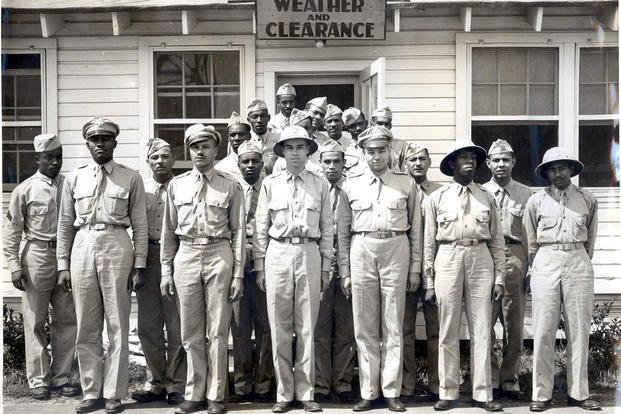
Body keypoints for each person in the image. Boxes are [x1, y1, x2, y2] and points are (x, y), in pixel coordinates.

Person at [56, 117, 148, 414]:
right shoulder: (74, 178)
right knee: (86, 324)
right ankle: (91, 390)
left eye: (105, 139)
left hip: (117, 243)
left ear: (115, 143)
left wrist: (140, 264)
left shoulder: (130, 177)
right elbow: (65, 225)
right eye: (95, 139)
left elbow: (140, 225)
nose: (100, 144)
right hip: (82, 245)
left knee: (118, 323)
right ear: (87, 144)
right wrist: (62, 264)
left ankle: (114, 393)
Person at [160, 124, 246, 414]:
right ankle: (194, 393)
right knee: (190, 331)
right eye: (195, 146)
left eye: (206, 146)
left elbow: (239, 233)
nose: (200, 151)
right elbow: (168, 232)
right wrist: (165, 271)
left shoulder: (230, 184)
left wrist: (237, 274)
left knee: (219, 330)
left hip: (218, 253)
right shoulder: (177, 185)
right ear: (189, 149)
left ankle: (216, 395)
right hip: (186, 254)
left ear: (215, 149)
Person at [337, 125, 422, 413]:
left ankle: (391, 391)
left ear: (390, 151)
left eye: (381, 151)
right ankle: (368, 391)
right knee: (364, 325)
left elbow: (416, 231)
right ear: (363, 153)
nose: (376, 157)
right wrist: (345, 272)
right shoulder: (351, 185)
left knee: (393, 324)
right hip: (362, 248)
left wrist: (415, 269)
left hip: (396, 248)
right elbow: (342, 233)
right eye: (370, 152)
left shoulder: (406, 184)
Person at [254, 125, 334, 413]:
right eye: (290, 147)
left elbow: (327, 228)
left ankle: (306, 392)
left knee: (307, 325)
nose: (296, 153)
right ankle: (284, 393)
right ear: (283, 152)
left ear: (308, 151)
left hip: (309, 252)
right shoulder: (270, 184)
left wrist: (326, 266)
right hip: (278, 252)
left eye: (301, 147)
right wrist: (260, 266)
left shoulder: (320, 184)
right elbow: (261, 227)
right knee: (279, 326)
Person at [422, 140, 505, 412]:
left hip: (480, 258)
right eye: (463, 158)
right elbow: (428, 244)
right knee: (447, 328)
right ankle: (448, 391)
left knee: (482, 328)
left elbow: (496, 241)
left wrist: (500, 277)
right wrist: (429, 282)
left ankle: (483, 393)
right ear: (452, 165)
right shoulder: (437, 198)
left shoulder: (486, 197)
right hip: (448, 257)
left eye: (473, 158)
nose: (469, 162)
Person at [523, 147, 600, 412]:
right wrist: (541, 266)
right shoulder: (536, 201)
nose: (558, 173)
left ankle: (579, 393)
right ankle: (541, 395)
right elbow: (530, 242)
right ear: (546, 173)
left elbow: (589, 239)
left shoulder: (587, 199)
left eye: (562, 168)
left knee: (578, 330)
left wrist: (578, 259)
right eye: (552, 169)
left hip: (577, 261)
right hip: (546, 262)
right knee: (543, 330)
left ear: (571, 170)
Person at [3, 134, 77, 401]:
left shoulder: (70, 185)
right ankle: (38, 380)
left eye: (58, 157)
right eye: (49, 157)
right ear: (37, 159)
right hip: (37, 255)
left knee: (66, 319)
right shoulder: (24, 190)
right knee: (35, 320)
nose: (55, 162)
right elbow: (11, 233)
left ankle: (62, 378)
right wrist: (13, 266)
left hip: (66, 256)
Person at [132, 138, 186, 406]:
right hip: (148, 256)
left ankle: (177, 384)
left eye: (165, 156)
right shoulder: (141, 189)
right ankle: (155, 382)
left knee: (176, 324)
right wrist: (137, 265)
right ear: (148, 162)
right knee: (149, 325)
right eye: (155, 158)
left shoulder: (182, 186)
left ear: (173, 160)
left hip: (178, 257)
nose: (160, 161)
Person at [482, 139, 532, 400]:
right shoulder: (479, 192)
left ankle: (510, 379)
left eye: (506, 160)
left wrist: (531, 268)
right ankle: (489, 380)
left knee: (513, 322)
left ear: (514, 162)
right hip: (486, 257)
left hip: (514, 255)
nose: (501, 165)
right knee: (485, 322)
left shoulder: (527, 194)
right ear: (488, 163)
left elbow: (532, 236)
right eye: (496, 160)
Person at [229, 140, 275, 403]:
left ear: (262, 164)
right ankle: (243, 385)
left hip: (266, 263)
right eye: (245, 161)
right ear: (238, 164)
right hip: (237, 262)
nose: (250, 166)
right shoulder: (234, 189)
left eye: (254, 161)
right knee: (240, 326)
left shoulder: (270, 188)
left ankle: (264, 383)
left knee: (266, 325)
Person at [313, 140, 357, 404]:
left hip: (348, 266)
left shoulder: (351, 189)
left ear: (344, 164)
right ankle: (319, 384)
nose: (331, 166)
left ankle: (342, 383)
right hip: (319, 266)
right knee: (319, 329)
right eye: (327, 161)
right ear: (321, 163)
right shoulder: (316, 188)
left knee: (345, 328)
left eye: (336, 161)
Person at [401, 143, 442, 402]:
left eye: (422, 159)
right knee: (403, 330)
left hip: (436, 271)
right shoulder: (400, 190)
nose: (417, 163)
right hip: (404, 271)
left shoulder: (441, 192)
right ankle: (406, 386)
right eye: (412, 159)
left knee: (436, 330)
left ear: (429, 163)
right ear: (405, 163)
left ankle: (437, 386)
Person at [215, 111, 252, 181]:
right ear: (228, 138)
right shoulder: (221, 168)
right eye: (233, 135)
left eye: (241, 134)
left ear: (249, 136)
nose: (237, 138)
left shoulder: (258, 161)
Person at [369, 105, 407, 171]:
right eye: (380, 123)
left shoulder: (401, 146)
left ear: (390, 126)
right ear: (372, 125)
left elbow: (406, 173)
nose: (383, 127)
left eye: (387, 124)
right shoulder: (366, 145)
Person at [247, 99, 279, 174]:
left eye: (262, 116)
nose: (259, 120)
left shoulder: (279, 140)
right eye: (254, 117)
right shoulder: (244, 140)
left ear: (268, 118)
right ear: (248, 120)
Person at [342, 107, 368, 175]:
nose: (358, 128)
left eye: (361, 124)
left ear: (366, 123)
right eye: (353, 126)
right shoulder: (344, 150)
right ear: (347, 129)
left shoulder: (377, 146)